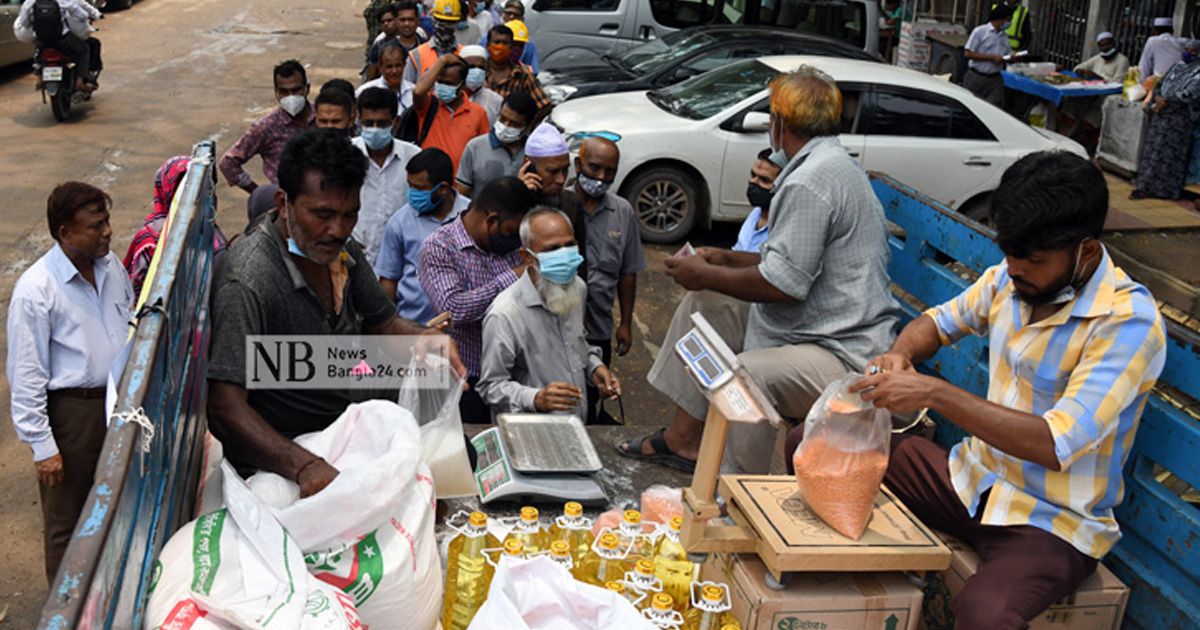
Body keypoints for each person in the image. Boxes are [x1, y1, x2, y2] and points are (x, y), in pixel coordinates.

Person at [841, 151, 1165, 629]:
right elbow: (938, 322)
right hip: (971, 479)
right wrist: (901, 354)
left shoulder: (1128, 324)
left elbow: (1053, 444)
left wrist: (932, 393)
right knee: (822, 447)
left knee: (984, 615)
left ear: (1087, 252)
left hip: (1051, 523)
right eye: (1009, 254)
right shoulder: (1010, 278)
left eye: (1032, 260)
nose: (1014, 269)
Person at [615, 66, 900, 473]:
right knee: (706, 303)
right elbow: (790, 263)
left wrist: (705, 272)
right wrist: (725, 260)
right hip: (814, 323)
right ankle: (684, 438)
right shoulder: (820, 166)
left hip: (841, 350)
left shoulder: (811, 180)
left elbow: (785, 284)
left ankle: (740, 490)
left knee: (749, 374)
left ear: (780, 124)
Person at [207, 129, 463, 493]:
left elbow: (384, 322)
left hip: (347, 431)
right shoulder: (249, 281)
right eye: (322, 214)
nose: (337, 230)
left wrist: (426, 337)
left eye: (349, 215)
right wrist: (303, 465)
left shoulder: (343, 253)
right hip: (283, 462)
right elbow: (225, 406)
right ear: (283, 203)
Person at [8, 182, 134, 579]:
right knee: (68, 520)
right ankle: (66, 611)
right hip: (74, 416)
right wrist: (43, 446)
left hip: (119, 402)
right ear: (65, 233)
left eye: (107, 221)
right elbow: (26, 375)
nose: (108, 232)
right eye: (96, 226)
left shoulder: (111, 266)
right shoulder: (36, 290)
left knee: (116, 502)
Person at [478, 208, 620, 421]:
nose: (564, 255)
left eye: (570, 245)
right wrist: (535, 398)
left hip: (575, 422)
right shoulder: (505, 314)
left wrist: (594, 368)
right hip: (531, 431)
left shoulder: (577, 288)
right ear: (527, 257)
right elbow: (491, 386)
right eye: (552, 249)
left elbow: (576, 345)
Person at [419, 176, 537, 422]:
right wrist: (513, 277)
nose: (516, 241)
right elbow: (453, 309)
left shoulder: (513, 248)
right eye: (511, 232)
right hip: (465, 378)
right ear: (491, 220)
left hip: (512, 377)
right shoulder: (440, 247)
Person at [572, 137, 645, 425]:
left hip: (599, 327)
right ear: (578, 165)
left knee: (593, 394)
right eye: (594, 167)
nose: (601, 178)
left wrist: (625, 322)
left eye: (610, 172)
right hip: (562, 325)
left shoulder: (623, 212)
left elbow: (628, 271)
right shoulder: (559, 206)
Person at [378, 148, 471, 324]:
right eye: (410, 185)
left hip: (462, 330)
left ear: (443, 188)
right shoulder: (399, 222)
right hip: (413, 328)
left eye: (419, 188)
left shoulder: (471, 217)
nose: (412, 193)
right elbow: (388, 279)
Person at [219, 60, 314, 193]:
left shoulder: (323, 117)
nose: (291, 97)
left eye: (296, 90)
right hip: (287, 202)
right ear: (276, 93)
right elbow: (228, 164)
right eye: (284, 92)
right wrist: (258, 193)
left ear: (307, 89)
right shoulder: (267, 127)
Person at [352, 87, 422, 267]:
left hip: (401, 259)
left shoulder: (413, 157)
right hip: (354, 258)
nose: (375, 130)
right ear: (358, 121)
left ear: (395, 123)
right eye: (368, 123)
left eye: (382, 124)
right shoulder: (345, 154)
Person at [520, 122, 589, 282]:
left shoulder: (571, 203)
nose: (561, 179)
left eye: (565, 170)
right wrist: (520, 194)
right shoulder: (511, 202)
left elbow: (580, 261)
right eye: (552, 172)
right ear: (528, 166)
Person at [1133, 41, 1200, 200]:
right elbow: (1160, 84)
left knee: (1169, 157)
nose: (1188, 52)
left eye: (1193, 50)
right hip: (1161, 116)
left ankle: (1165, 191)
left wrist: (1168, 100)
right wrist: (1156, 98)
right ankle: (1145, 185)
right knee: (1152, 152)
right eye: (1187, 49)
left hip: (1179, 121)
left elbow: (1193, 93)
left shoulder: (1198, 71)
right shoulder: (1177, 65)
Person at [411, 53, 490, 172]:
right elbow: (417, 92)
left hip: (459, 185)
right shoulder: (429, 105)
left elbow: (483, 151)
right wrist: (443, 60)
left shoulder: (478, 113)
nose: (442, 86)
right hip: (428, 182)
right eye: (439, 82)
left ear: (462, 85)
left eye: (448, 83)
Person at [455, 89, 535, 197]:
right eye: (502, 119)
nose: (505, 126)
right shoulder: (475, 147)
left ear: (527, 127)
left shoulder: (534, 153)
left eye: (514, 124)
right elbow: (462, 195)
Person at [13, 0, 103, 92]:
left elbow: (24, 23)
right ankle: (79, 82)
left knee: (38, 51)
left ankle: (39, 78)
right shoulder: (62, 1)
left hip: (42, 39)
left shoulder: (29, 2)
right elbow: (80, 14)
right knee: (84, 49)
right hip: (62, 39)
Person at [484, 24, 550, 120]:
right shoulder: (478, 70)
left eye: (505, 43)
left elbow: (544, 105)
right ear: (487, 46)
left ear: (511, 47)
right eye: (497, 42)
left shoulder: (523, 74)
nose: (500, 46)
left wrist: (525, 127)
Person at [733, 149, 786, 255]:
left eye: (764, 180)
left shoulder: (784, 230)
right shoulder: (756, 213)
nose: (754, 182)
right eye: (753, 175)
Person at [963, 5, 1014, 108]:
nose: (1009, 24)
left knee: (993, 108)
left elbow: (1006, 55)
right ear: (1000, 19)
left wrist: (1010, 58)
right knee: (970, 107)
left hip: (995, 79)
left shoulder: (1004, 37)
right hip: (976, 77)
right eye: (1008, 20)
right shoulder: (980, 32)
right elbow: (968, 53)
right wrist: (991, 58)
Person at [403, 0, 464, 85]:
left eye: (450, 22)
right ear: (433, 20)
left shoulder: (464, 54)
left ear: (457, 23)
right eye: (441, 21)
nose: (445, 27)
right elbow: (406, 91)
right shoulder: (416, 55)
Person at [355, 43, 415, 117]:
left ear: (404, 65)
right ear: (380, 67)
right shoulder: (364, 91)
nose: (394, 71)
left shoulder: (414, 92)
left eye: (398, 65)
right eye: (389, 67)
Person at [482, 0, 539, 72]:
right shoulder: (488, 37)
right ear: (502, 14)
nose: (512, 17)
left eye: (516, 15)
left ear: (522, 19)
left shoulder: (528, 43)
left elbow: (532, 70)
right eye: (508, 13)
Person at [460, 44, 503, 124]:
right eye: (471, 67)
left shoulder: (496, 100)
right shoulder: (452, 97)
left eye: (480, 67)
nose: (476, 71)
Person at [364, 2, 402, 81]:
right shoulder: (378, 44)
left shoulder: (413, 38)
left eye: (389, 20)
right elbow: (371, 74)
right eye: (383, 22)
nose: (386, 24)